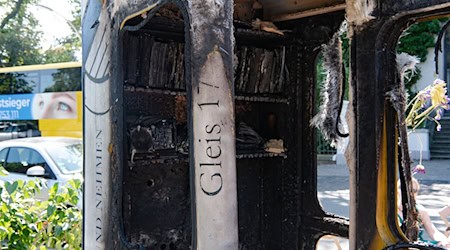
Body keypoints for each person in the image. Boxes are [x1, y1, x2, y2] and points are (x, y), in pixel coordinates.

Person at [397, 177, 450, 247]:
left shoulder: (421, 211)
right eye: (405, 189)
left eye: (414, 190)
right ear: (397, 191)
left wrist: (443, 240)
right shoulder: (390, 211)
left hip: (417, 246)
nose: (409, 193)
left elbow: (433, 232)